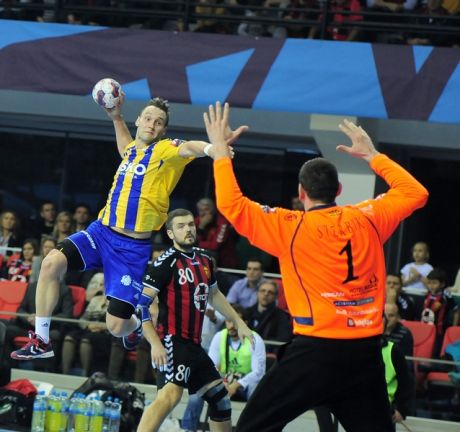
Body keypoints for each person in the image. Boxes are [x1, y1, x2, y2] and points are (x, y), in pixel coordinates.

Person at [203, 102, 428, 431]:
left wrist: (221, 153)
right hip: (364, 355)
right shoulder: (369, 218)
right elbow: (416, 192)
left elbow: (231, 204)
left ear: (301, 192)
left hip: (313, 353)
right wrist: (372, 155)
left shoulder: (289, 226)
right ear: (339, 191)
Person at [11, 93, 245, 361]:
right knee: (51, 263)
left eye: (158, 122)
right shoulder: (132, 151)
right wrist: (116, 117)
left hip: (131, 250)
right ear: (139, 120)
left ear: (163, 130)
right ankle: (42, 341)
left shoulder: (166, 150)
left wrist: (215, 149)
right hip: (100, 233)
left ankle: (134, 327)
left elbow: (191, 147)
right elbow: (125, 146)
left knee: (115, 326)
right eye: (148, 118)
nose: (152, 124)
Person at [136, 209, 253, 432]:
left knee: (220, 399)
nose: (188, 229)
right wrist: (155, 344)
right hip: (173, 342)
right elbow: (141, 305)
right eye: (181, 226)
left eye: (190, 224)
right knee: (170, 396)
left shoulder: (205, 258)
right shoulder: (164, 263)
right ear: (170, 234)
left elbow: (214, 295)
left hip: (194, 346)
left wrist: (239, 322)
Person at [181, 304, 265, 432]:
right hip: (224, 380)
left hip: (246, 383)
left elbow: (259, 372)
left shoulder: (255, 339)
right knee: (198, 390)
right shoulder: (219, 336)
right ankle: (187, 429)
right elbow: (209, 366)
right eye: (228, 321)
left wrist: (236, 385)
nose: (231, 326)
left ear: (244, 323)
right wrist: (220, 382)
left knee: (256, 391)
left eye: (235, 322)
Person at [245, 279, 292, 351]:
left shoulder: (281, 316)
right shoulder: (247, 312)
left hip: (267, 352)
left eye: (270, 292)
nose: (266, 294)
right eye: (263, 291)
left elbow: (283, 339)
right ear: (257, 293)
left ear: (276, 296)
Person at [421, 268, 455, 357]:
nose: (431, 286)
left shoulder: (446, 296)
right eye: (429, 283)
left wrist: (454, 327)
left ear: (442, 284)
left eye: (434, 283)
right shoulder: (427, 294)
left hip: (439, 332)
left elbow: (456, 310)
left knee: (435, 352)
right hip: (425, 328)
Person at [195, 197, 237, 268]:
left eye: (206, 210)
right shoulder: (197, 221)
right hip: (203, 259)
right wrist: (201, 227)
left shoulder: (223, 222)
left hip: (224, 263)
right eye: (201, 210)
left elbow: (215, 246)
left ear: (213, 210)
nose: (203, 213)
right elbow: (191, 242)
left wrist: (197, 244)